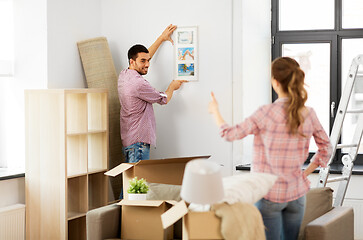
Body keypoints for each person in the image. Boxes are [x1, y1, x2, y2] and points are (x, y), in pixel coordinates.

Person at [208, 57, 332, 240]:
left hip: (268, 194)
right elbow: (326, 149)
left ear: (275, 82)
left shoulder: (265, 113)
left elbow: (229, 134)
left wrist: (215, 111)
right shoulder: (308, 113)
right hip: (296, 195)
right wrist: (305, 174)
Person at [118, 24, 187, 164]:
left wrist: (161, 38)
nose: (147, 64)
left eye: (148, 60)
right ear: (132, 62)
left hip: (129, 141)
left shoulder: (124, 75)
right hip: (138, 143)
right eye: (143, 61)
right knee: (138, 184)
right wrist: (172, 87)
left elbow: (143, 57)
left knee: (131, 183)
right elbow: (164, 99)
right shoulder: (139, 84)